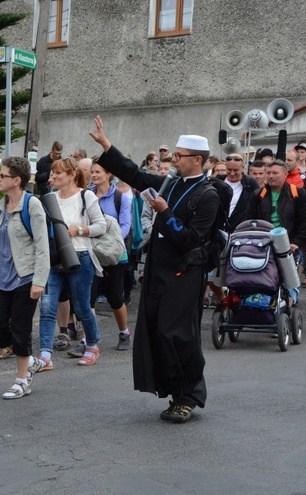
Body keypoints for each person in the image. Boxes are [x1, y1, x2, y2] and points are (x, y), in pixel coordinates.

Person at [90, 115, 220, 423]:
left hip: (185, 271)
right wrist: (107, 146)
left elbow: (191, 239)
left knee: (178, 334)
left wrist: (166, 212)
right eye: (172, 154)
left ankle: (189, 394)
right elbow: (133, 175)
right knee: (156, 331)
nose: (172, 160)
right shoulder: (170, 184)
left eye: (178, 156)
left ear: (197, 160)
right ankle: (173, 390)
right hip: (159, 268)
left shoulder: (209, 195)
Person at [0, 157, 46, 399]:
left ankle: (22, 380)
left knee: (20, 328)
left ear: (17, 180)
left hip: (25, 276)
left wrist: (39, 280)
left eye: (3, 176)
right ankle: (30, 360)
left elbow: (42, 246)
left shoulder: (32, 204)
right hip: (1, 277)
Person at [37, 157, 106, 369]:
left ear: (71, 175)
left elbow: (101, 226)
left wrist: (80, 230)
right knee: (47, 306)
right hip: (54, 258)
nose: (52, 177)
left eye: (57, 174)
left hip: (80, 256)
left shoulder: (86, 196)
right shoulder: (49, 199)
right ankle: (45, 355)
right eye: (51, 174)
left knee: (82, 306)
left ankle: (93, 345)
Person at [246, 160, 306, 305]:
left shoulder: (298, 193)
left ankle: (289, 306)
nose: (270, 176)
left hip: (290, 242)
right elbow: (251, 220)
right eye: (268, 173)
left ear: (285, 174)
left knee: (289, 276)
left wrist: (297, 242)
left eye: (275, 173)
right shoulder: (258, 195)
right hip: (264, 242)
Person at [89, 160, 132, 350]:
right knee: (88, 298)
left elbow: (125, 225)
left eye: (98, 171)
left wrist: (111, 242)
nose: (94, 175)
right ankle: (88, 340)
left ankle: (124, 332)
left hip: (115, 254)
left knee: (115, 297)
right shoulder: (87, 195)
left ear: (108, 174)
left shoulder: (120, 197)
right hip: (92, 253)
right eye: (92, 172)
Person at [220, 152, 259, 233]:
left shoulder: (251, 184)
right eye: (229, 170)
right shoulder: (217, 182)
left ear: (243, 168)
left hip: (241, 230)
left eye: (236, 170)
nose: (232, 173)